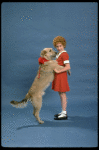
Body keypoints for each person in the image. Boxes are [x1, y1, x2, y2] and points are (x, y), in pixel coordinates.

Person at [52, 36, 71, 120]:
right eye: (57, 46)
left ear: (63, 45)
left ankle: (64, 113)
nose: (59, 48)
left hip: (61, 76)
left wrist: (59, 71)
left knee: (63, 94)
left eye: (60, 46)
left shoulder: (64, 54)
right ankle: (63, 112)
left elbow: (67, 66)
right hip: (59, 76)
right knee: (61, 93)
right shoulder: (60, 53)